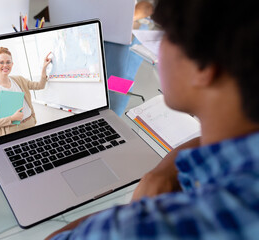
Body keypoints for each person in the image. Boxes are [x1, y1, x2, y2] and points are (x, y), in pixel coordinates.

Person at [46, 0, 259, 239]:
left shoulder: (141, 227)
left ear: (204, 67)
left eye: (164, 35)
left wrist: (137, 210)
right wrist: (165, 171)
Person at [0, 47, 51, 137]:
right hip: (11, 132)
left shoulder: (19, 80)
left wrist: (44, 68)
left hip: (30, 124)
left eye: (8, 62)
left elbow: (40, 85)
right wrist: (11, 118)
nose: (5, 65)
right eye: (1, 62)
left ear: (12, 64)